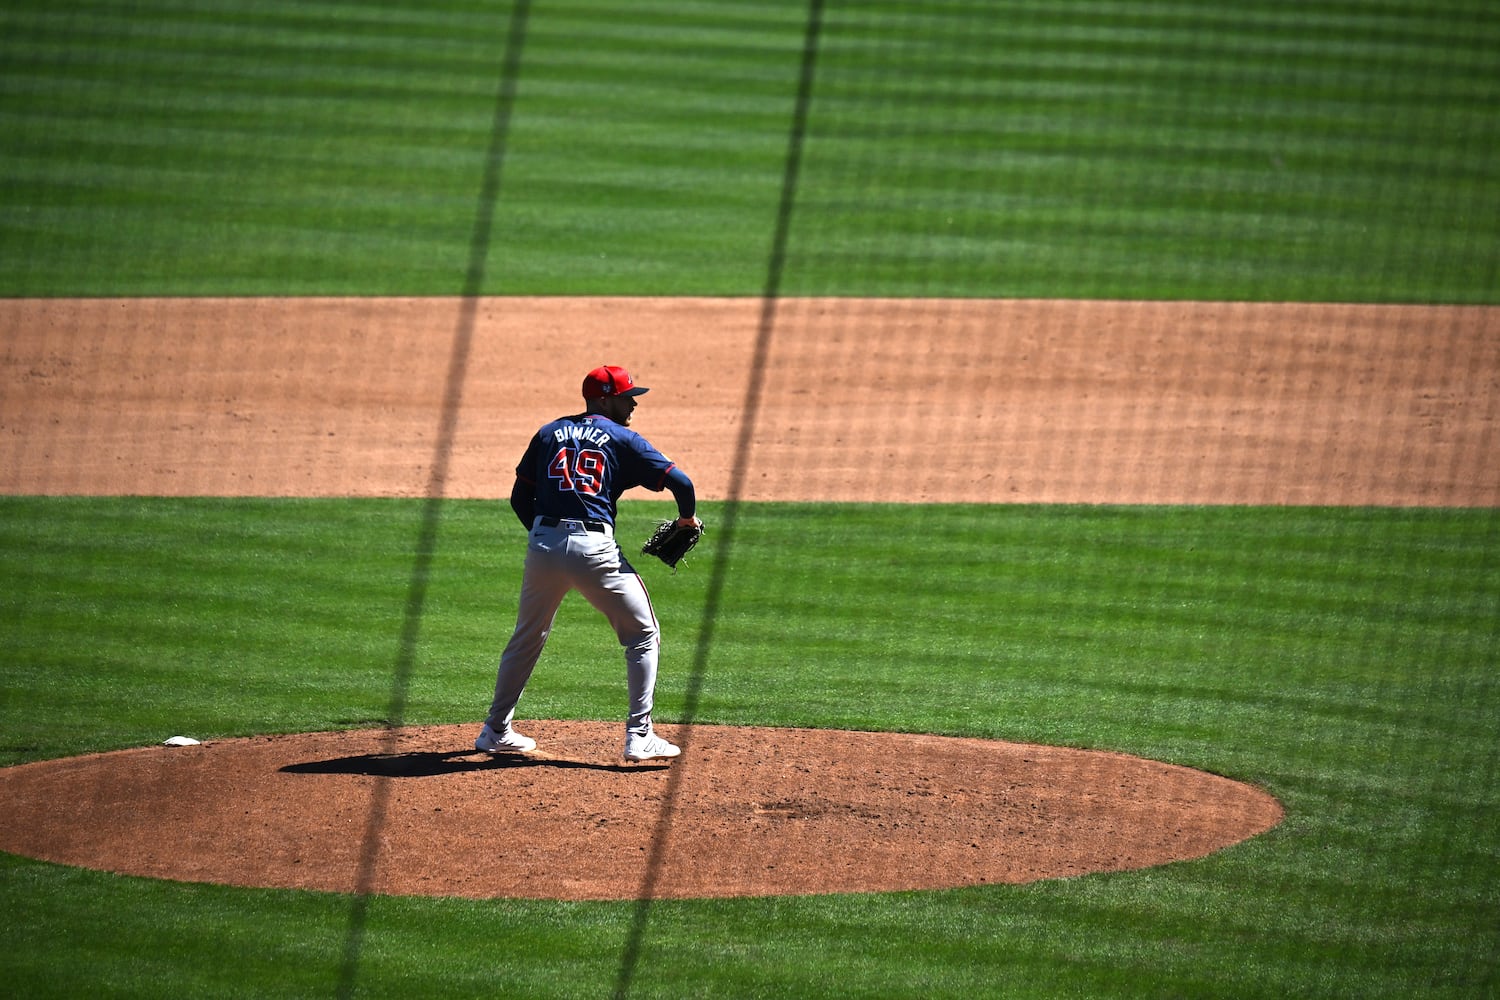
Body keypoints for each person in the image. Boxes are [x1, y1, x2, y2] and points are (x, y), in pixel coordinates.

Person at [475, 364, 701, 763]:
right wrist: (686, 520)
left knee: (527, 636)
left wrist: (546, 539)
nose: (632, 403)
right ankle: (640, 734)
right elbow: (682, 483)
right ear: (602, 399)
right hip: (594, 549)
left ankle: (494, 730)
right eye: (626, 397)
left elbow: (518, 498)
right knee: (643, 634)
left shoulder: (548, 432)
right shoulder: (623, 438)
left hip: (542, 546)